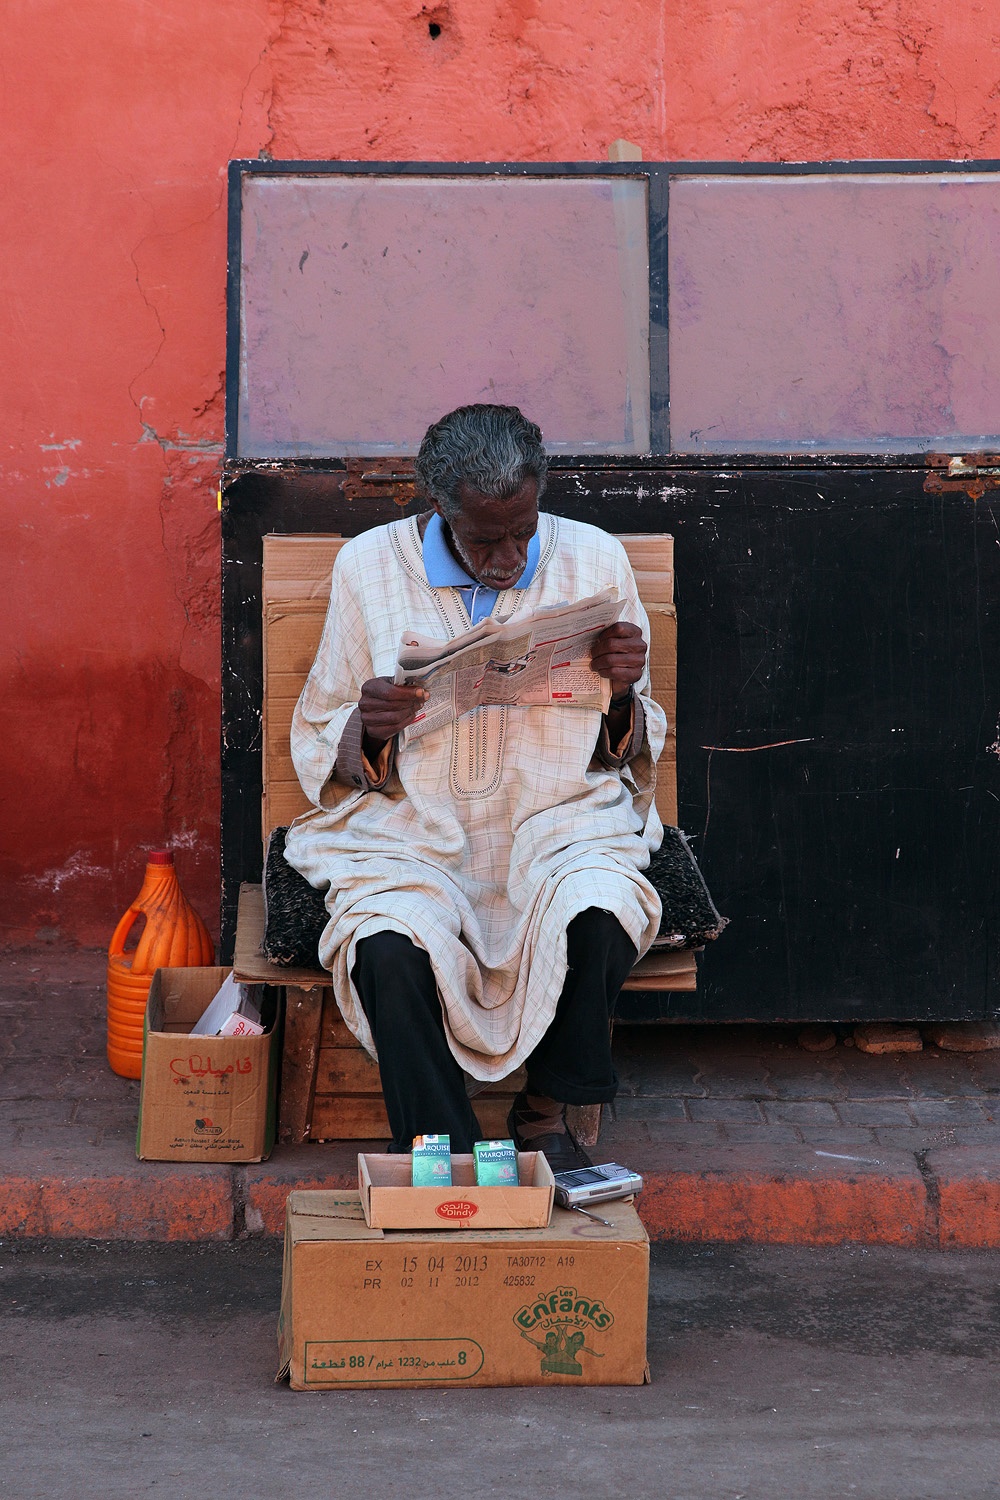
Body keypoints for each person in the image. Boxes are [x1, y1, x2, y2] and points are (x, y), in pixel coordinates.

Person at [284, 404, 665, 1169]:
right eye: (487, 538)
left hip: (557, 818)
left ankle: (546, 1110)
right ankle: (439, 1145)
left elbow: (627, 746)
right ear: (440, 509)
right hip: (413, 833)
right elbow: (321, 725)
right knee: (385, 947)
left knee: (604, 907)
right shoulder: (368, 566)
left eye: (523, 531)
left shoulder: (593, 559)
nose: (510, 557)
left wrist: (622, 691)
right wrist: (373, 725)